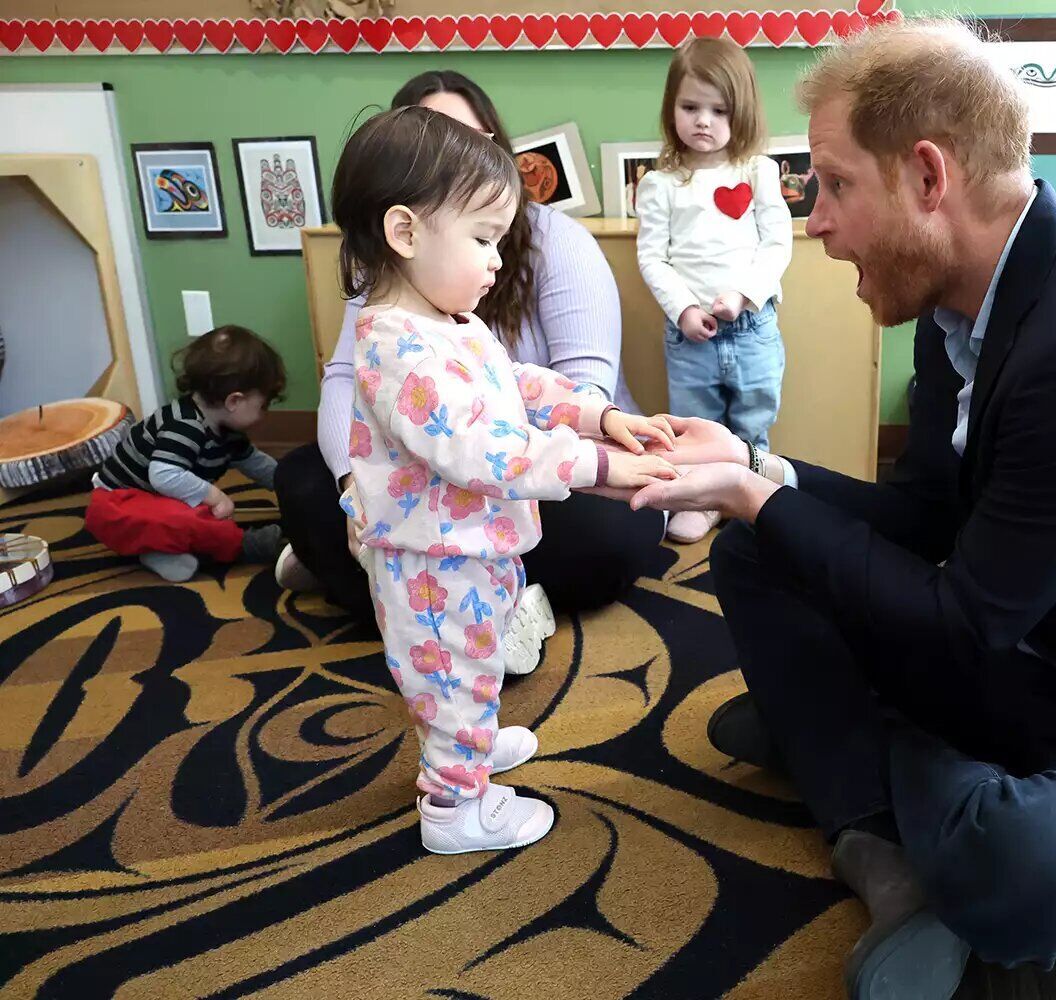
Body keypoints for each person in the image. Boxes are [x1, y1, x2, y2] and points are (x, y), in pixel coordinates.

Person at [623, 21, 1056, 1000]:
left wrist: (757, 497)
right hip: (1029, 643)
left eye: (833, 183)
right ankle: (880, 841)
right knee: (755, 541)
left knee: (1021, 865)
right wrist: (748, 467)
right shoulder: (962, 309)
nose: (815, 220)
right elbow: (923, 519)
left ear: (927, 177)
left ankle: (859, 747)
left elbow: (962, 625)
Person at [329, 107, 677, 854]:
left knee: (475, 661)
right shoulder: (396, 346)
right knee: (450, 680)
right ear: (405, 233)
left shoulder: (448, 323)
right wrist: (599, 466)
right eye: (482, 239)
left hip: (469, 548)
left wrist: (592, 413)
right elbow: (483, 449)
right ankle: (456, 809)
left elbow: (512, 383)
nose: (496, 260)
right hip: (432, 560)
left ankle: (472, 750)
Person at [274, 70, 666, 662]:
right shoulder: (389, 302)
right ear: (402, 220)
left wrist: (595, 426)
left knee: (610, 527)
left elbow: (532, 384)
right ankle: (482, 611)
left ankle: (391, 588)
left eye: (473, 142)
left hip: (519, 465)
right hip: (461, 477)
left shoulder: (545, 250)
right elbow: (349, 390)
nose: (493, 257)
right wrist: (356, 491)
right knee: (306, 482)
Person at [635, 38, 793, 543]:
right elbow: (652, 257)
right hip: (690, 336)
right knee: (693, 424)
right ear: (671, 110)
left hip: (751, 327)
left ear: (740, 112)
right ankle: (700, 499)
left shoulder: (758, 172)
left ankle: (750, 495)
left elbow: (776, 245)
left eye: (718, 110)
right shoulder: (662, 183)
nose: (703, 120)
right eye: (690, 107)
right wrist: (683, 308)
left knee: (753, 418)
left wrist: (743, 295)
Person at [85, 325, 287, 582]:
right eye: (263, 405)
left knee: (191, 516)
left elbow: (258, 465)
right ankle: (246, 545)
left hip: (159, 501)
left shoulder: (228, 432)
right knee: (190, 518)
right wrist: (215, 497)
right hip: (116, 506)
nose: (264, 413)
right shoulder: (185, 426)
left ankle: (161, 550)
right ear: (234, 401)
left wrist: (289, 483)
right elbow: (163, 475)